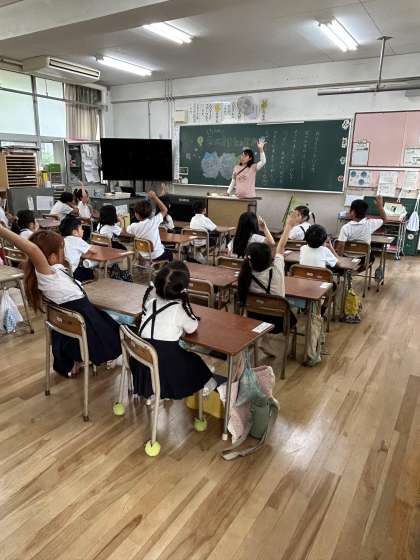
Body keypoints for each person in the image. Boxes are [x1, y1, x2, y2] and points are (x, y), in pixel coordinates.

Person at [0, 225, 121, 377]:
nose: (64, 253)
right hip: (88, 331)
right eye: (62, 250)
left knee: (112, 319)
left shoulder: (54, 271)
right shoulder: (47, 276)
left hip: (76, 327)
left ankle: (80, 359)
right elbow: (33, 250)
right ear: (51, 257)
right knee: (121, 329)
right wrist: (2, 230)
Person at [129, 261, 217, 400]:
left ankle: (155, 391)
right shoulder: (178, 309)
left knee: (182, 354)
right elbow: (192, 328)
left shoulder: (150, 303)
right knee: (195, 360)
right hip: (166, 371)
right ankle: (205, 387)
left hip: (142, 365)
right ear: (183, 289)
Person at [238, 211, 300, 355]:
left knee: (263, 305)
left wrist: (289, 226)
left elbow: (279, 248)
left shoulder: (245, 275)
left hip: (254, 318)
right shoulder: (276, 271)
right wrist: (289, 226)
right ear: (268, 258)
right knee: (291, 313)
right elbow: (280, 247)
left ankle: (262, 340)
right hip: (279, 322)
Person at [335, 196, 386, 262]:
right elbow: (384, 219)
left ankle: (350, 268)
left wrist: (341, 262)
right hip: (364, 259)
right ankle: (360, 268)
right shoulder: (370, 223)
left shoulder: (345, 227)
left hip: (348, 258)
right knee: (372, 257)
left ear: (353, 212)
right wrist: (380, 206)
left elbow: (341, 246)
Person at [127, 191, 173, 261]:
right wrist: (155, 197)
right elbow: (164, 210)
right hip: (157, 255)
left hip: (143, 255)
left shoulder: (134, 226)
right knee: (170, 253)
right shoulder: (154, 222)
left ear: (136, 214)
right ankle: (167, 267)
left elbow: (127, 230)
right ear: (151, 213)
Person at [59, 215, 97, 282]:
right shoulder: (77, 240)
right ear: (75, 232)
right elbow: (94, 250)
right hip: (72, 275)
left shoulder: (61, 239)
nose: (83, 231)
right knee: (92, 273)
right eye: (81, 228)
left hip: (61, 272)